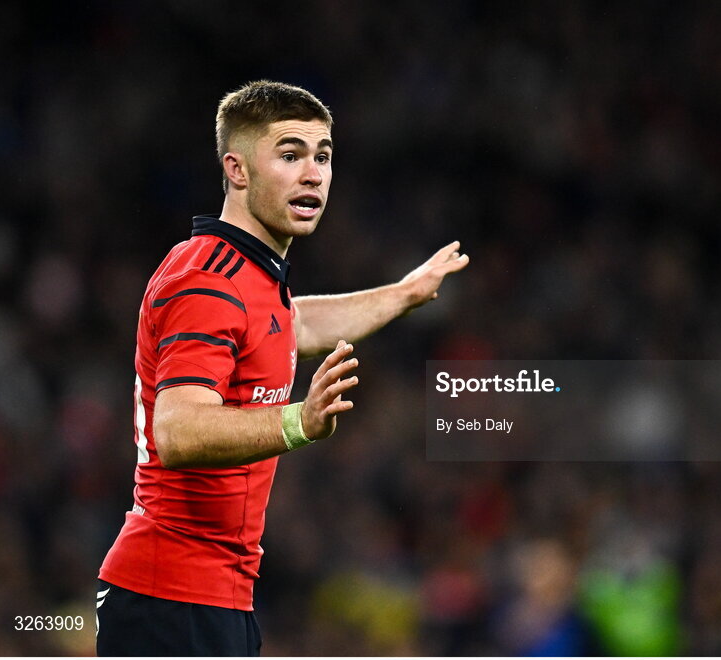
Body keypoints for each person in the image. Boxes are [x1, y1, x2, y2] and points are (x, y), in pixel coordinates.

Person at [95, 80, 469, 656]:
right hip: (170, 596)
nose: (313, 173)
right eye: (290, 155)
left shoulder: (254, 277)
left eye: (322, 156)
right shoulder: (208, 280)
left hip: (213, 596)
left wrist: (403, 294)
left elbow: (296, 325)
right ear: (237, 170)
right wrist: (300, 422)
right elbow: (178, 429)